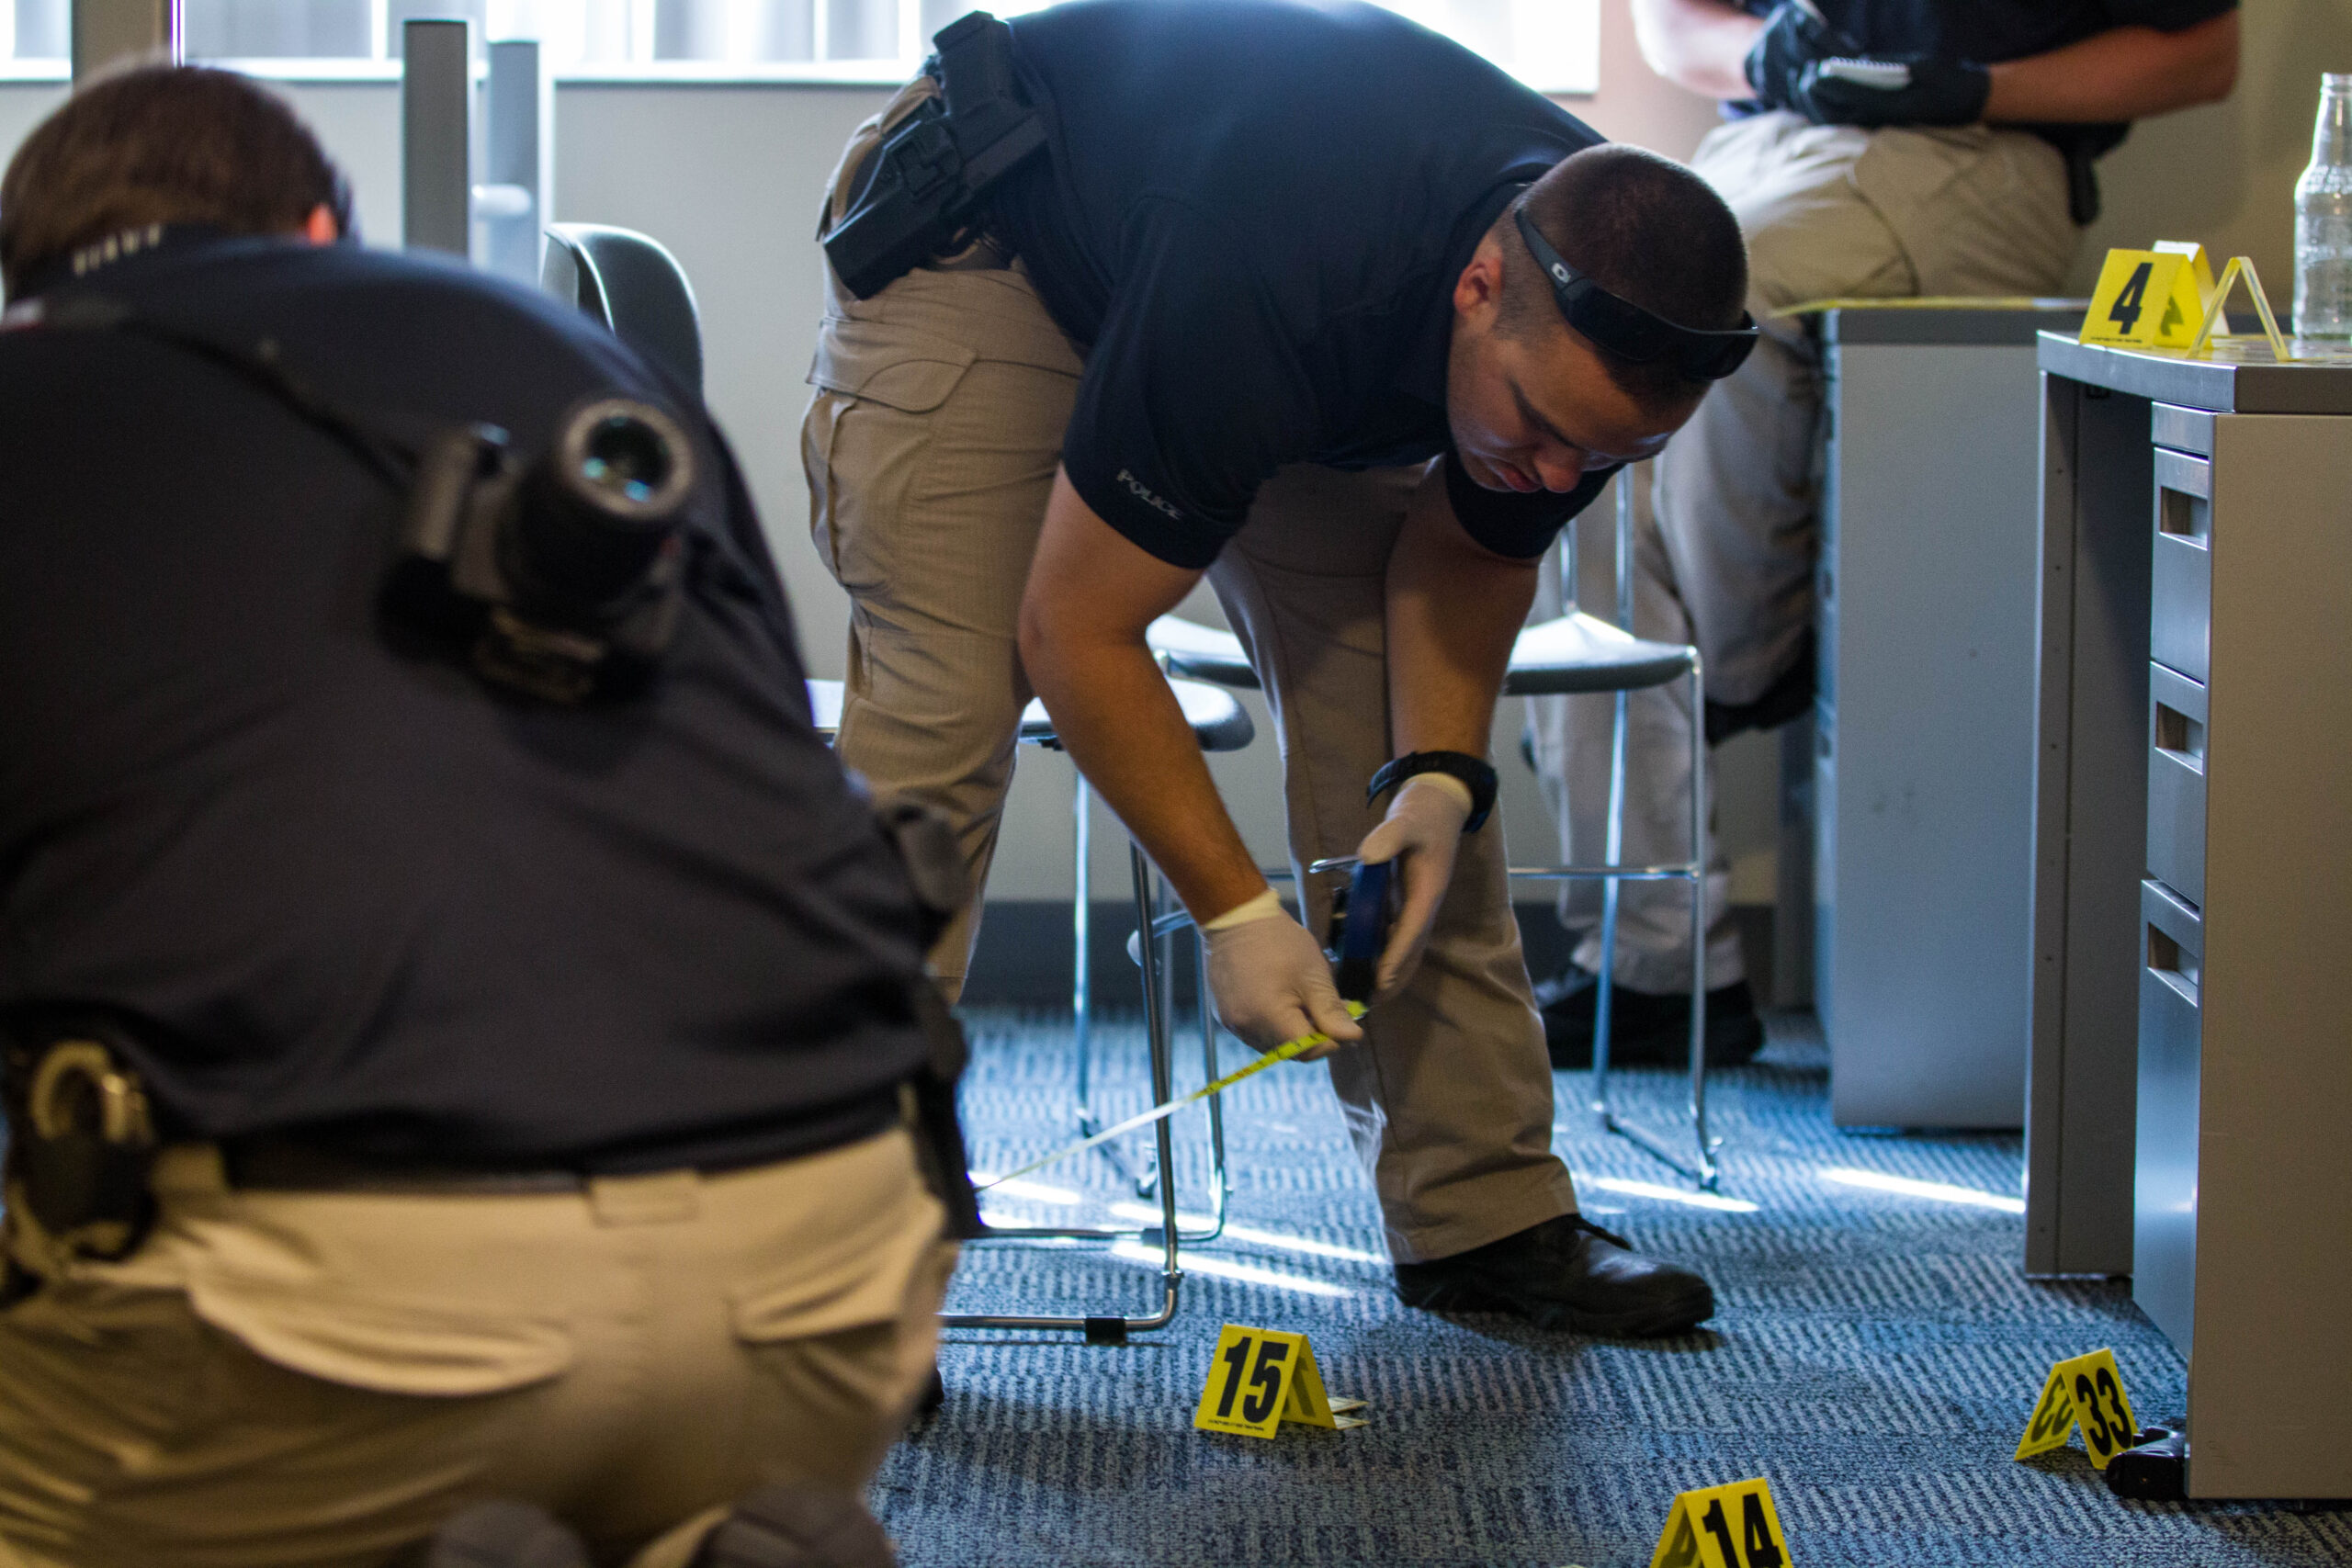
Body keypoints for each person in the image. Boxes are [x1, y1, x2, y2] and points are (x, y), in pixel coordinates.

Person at [0, 66, 956, 1568]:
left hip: (335, 1325)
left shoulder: (34, 391)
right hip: (834, 1254)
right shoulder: (581, 360)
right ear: (323, 226)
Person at [805, 0, 1751, 1336]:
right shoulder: (1274, 268)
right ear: (1478, 287)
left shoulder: (1597, 306)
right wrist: (1237, 911)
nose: (1558, 477)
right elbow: (1075, 629)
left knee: (1394, 740)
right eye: (1543, 433)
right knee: (943, 718)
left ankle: (1484, 1216)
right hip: (1002, 237)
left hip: (1263, 294)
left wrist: (1432, 779)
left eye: (1601, 461)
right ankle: (834, 1260)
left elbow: (1471, 554)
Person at [1528, 0, 2242, 1067]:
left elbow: (2202, 55)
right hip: (1761, 134)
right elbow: (1672, 22)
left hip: (1973, 151)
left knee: (1719, 300)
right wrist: (1764, 55)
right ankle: (1655, 962)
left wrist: (1974, 87)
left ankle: (1737, 666)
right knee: (1574, 414)